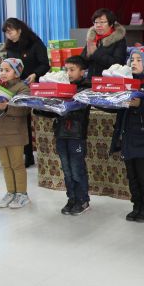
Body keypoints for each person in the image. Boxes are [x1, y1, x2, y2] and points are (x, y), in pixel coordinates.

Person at [110, 44, 144, 223]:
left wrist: (141, 104)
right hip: (128, 136)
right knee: (132, 176)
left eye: (139, 60)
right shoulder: (126, 82)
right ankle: (136, 206)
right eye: (132, 59)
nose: (134, 63)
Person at [34, 55, 92, 216]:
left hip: (76, 135)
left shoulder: (86, 89)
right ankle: (71, 199)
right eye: (66, 70)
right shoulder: (61, 86)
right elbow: (54, 111)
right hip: (61, 133)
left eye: (72, 70)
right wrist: (40, 105)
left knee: (77, 169)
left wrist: (60, 98)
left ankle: (83, 200)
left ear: (82, 72)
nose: (68, 73)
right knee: (66, 170)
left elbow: (74, 107)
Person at [3, 17, 49, 168]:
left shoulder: (34, 43)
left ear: (20, 30)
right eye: (6, 33)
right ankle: (24, 153)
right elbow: (8, 66)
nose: (9, 35)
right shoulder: (10, 47)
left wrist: (35, 74)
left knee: (28, 119)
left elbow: (45, 64)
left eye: (11, 31)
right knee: (19, 120)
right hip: (15, 86)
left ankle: (30, 154)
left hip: (33, 86)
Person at [0, 58, 32, 209]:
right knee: (5, 165)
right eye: (1, 70)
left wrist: (7, 107)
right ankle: (11, 192)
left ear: (17, 72)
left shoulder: (23, 88)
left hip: (15, 133)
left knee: (17, 164)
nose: (3, 73)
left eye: (7, 70)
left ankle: (22, 194)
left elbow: (25, 109)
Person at [82, 8, 127, 78]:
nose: (98, 25)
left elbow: (118, 64)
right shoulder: (92, 38)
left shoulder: (119, 40)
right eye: (96, 22)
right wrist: (87, 55)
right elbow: (83, 64)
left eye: (102, 22)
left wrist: (95, 53)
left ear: (111, 24)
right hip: (90, 80)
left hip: (108, 81)